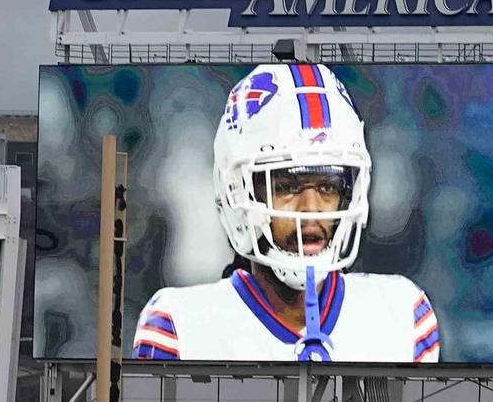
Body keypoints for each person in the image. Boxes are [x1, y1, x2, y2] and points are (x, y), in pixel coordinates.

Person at [131, 62, 440, 363]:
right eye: (287, 186)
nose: (311, 210)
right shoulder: (179, 329)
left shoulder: (403, 315)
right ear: (238, 190)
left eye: (328, 187)